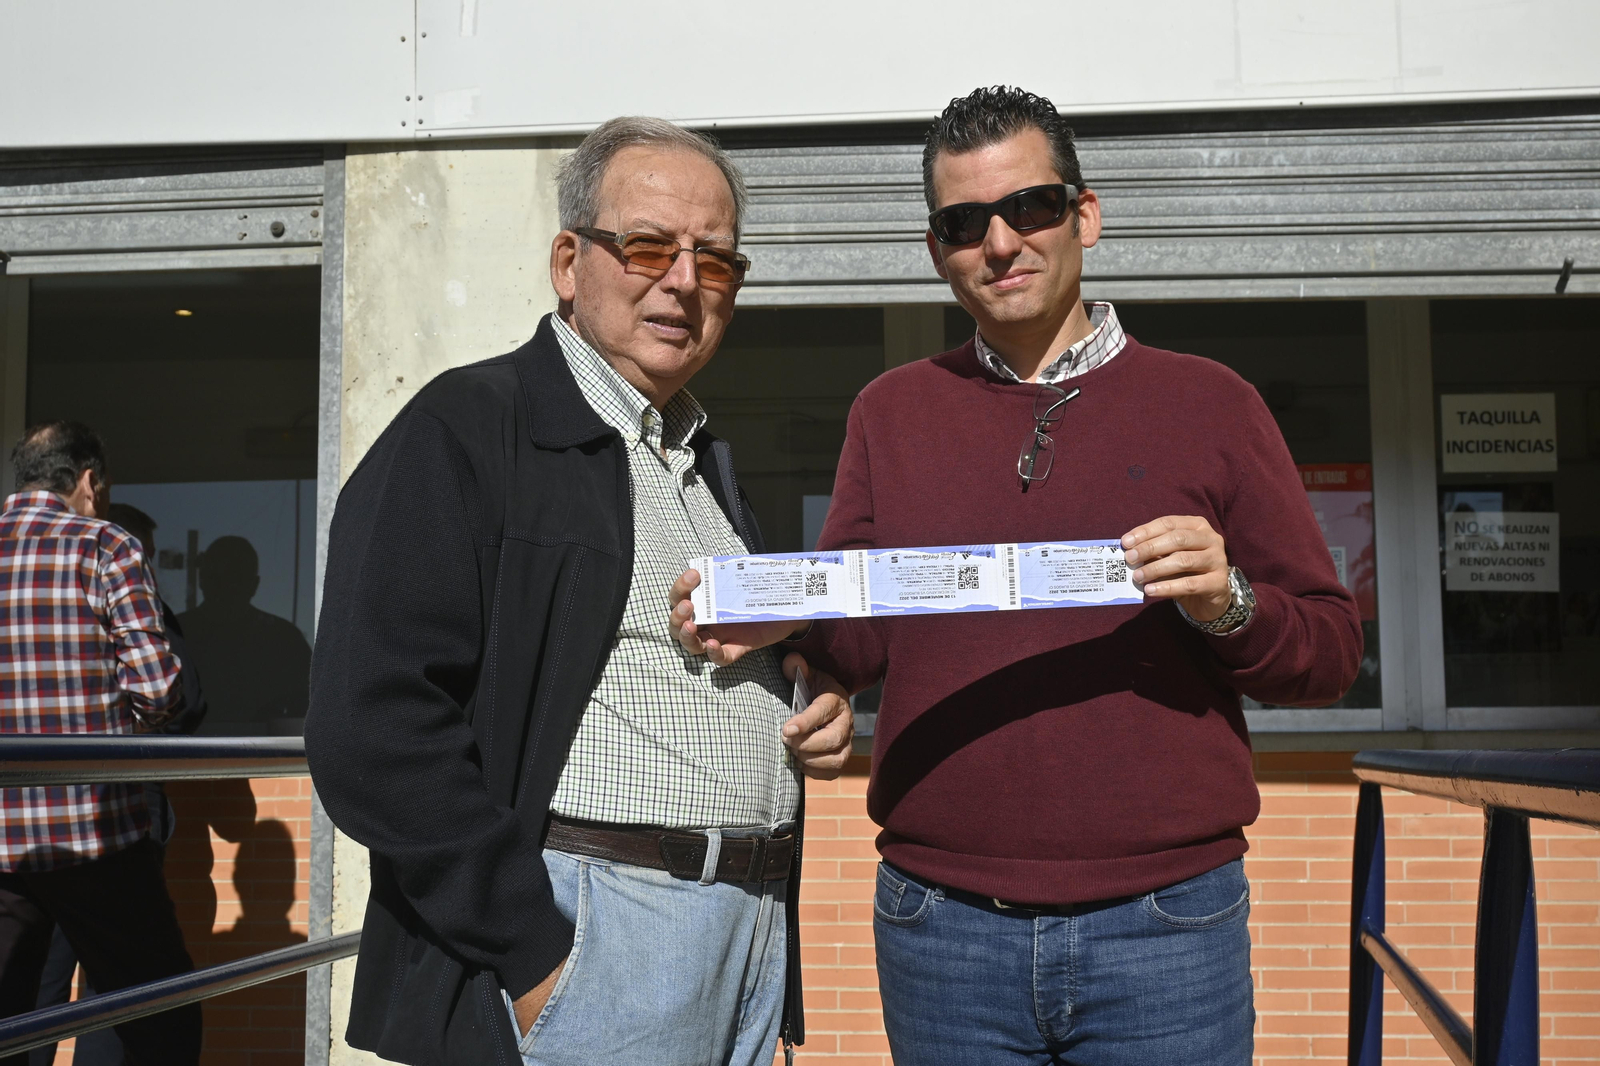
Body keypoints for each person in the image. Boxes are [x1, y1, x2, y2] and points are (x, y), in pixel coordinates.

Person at [670, 86, 1362, 1065]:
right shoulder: (891, 409)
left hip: (1165, 924)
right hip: (941, 925)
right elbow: (866, 625)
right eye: (964, 223)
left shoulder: (1212, 402)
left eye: (1028, 207)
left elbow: (1329, 652)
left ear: (1084, 213)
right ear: (935, 250)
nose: (999, 242)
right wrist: (790, 641)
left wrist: (1227, 601)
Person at [306, 116, 853, 1066]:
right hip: (601, 938)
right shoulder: (470, 429)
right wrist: (533, 947)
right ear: (570, 262)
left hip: (751, 935)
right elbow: (371, 723)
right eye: (647, 245)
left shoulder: (700, 460)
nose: (683, 280)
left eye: (715, 259)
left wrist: (807, 697)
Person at [0, 421, 201, 1066]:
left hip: (1, 841)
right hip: (94, 832)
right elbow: (161, 692)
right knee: (160, 1013)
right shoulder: (104, 546)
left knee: (15, 1018)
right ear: (87, 480)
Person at [177, 534, 308, 734]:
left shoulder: (284, 641)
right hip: (179, 756)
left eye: (236, 578)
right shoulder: (175, 636)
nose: (226, 588)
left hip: (268, 759)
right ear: (203, 580)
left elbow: (307, 710)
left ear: (253, 585)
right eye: (217, 578)